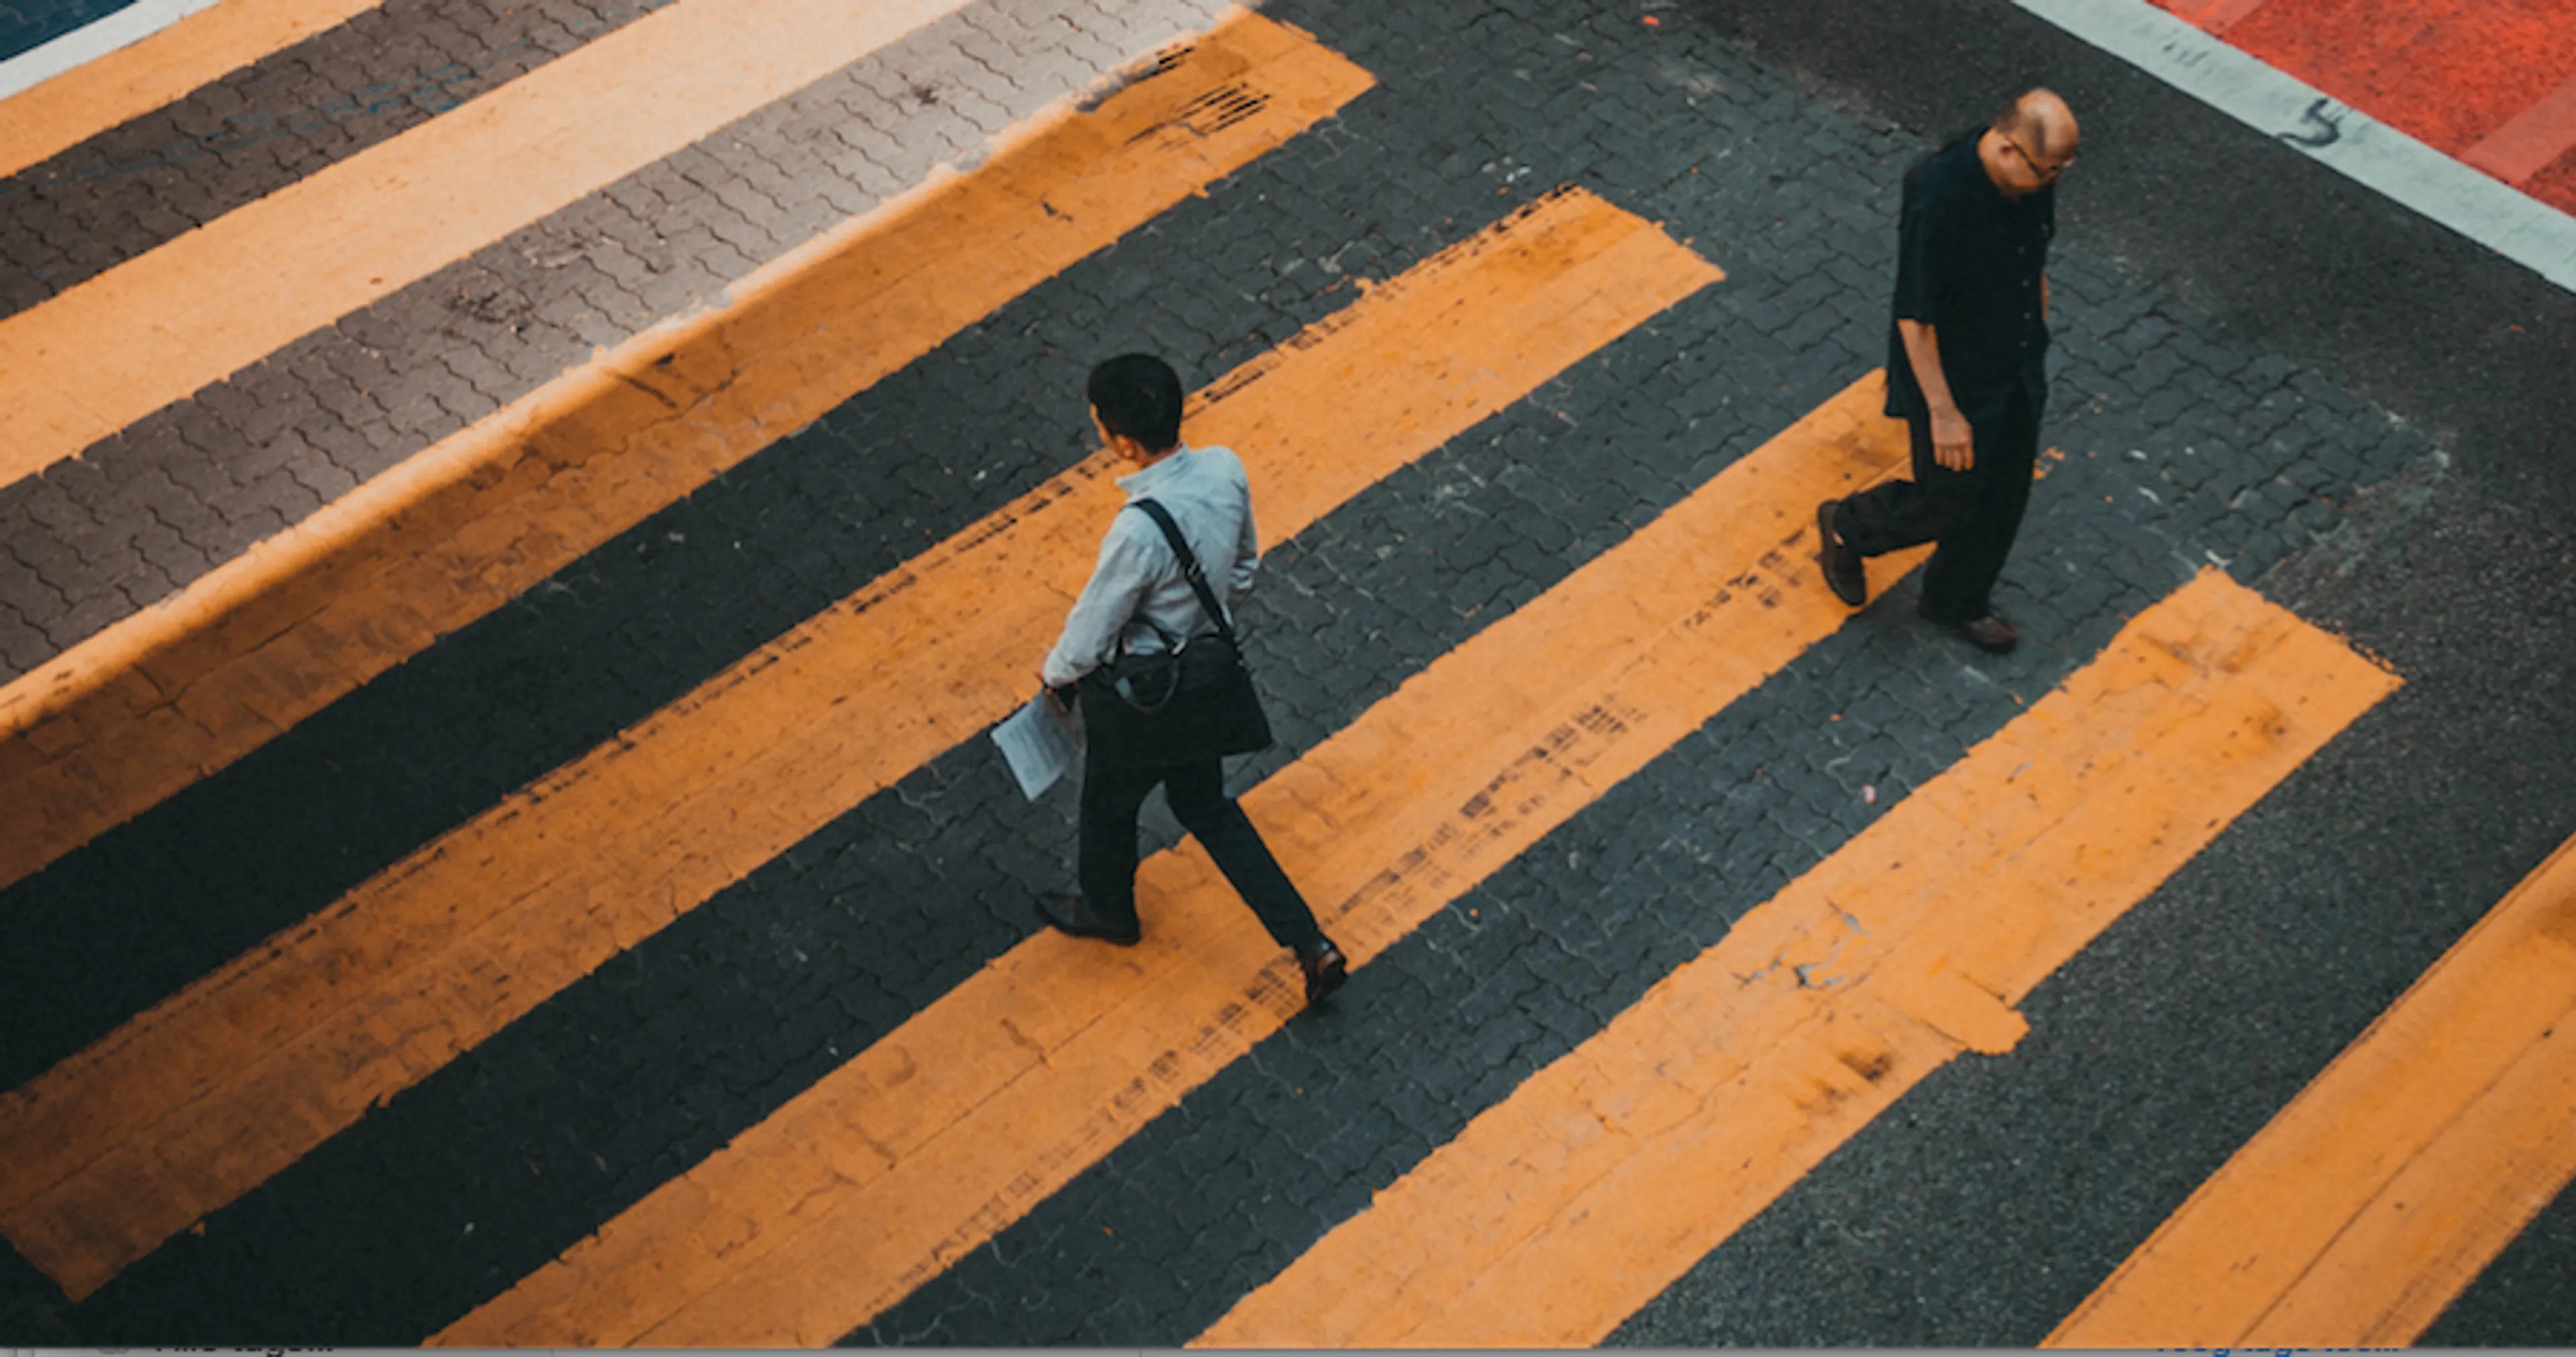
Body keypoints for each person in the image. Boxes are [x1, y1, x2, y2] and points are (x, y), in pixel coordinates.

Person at [1033, 353, 1348, 1006]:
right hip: (1204, 682)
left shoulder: (1137, 531)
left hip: (1143, 699)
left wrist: (1055, 673)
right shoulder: (1225, 469)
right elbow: (1243, 568)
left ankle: (1109, 910)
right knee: (1206, 807)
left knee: (1108, 802)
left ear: (1123, 441)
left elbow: (1094, 627)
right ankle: (1309, 942)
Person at [1818, 88, 2080, 654]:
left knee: (2004, 494)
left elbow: (2033, 262)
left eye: (2062, 170)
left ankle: (1956, 601)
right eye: (2047, 171)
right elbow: (1915, 319)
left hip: (2014, 365)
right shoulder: (1939, 198)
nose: (2053, 182)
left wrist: (2037, 338)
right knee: (1943, 500)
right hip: (1951, 380)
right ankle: (1848, 526)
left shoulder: (2032, 181)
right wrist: (1944, 412)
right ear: (2008, 148)